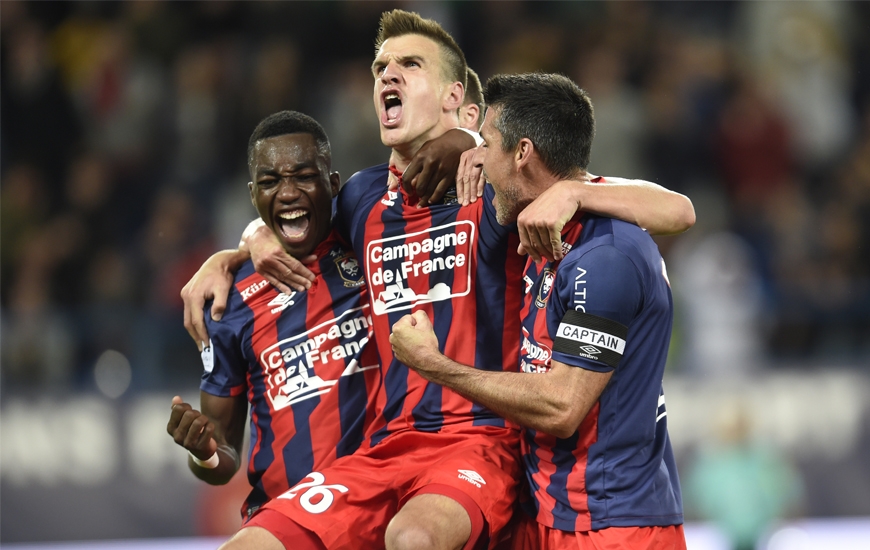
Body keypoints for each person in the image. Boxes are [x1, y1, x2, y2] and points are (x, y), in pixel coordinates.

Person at [187, 10, 695, 550]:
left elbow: (674, 210)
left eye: (410, 64)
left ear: (455, 96)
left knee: (414, 538)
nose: (388, 75)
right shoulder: (360, 199)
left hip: (479, 438)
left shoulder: (495, 186)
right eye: (380, 65)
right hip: (384, 446)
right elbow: (293, 212)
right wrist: (240, 247)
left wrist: (573, 191)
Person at [389, 73, 687, 550]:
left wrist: (432, 364)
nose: (477, 158)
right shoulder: (545, 223)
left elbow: (562, 406)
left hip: (613, 527)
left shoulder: (605, 255)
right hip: (554, 515)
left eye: (487, 144)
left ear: (523, 152)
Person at [166, 110, 381, 522]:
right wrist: (203, 452)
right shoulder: (227, 303)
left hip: (377, 503)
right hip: (284, 517)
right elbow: (222, 453)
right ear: (253, 195)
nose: (287, 192)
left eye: (303, 176)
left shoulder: (368, 244)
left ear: (332, 184)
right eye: (270, 182)